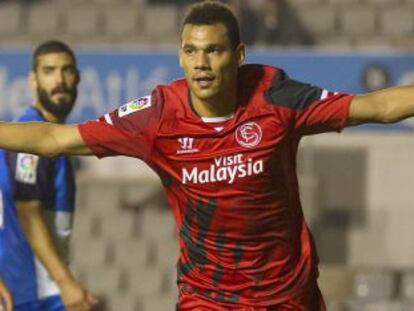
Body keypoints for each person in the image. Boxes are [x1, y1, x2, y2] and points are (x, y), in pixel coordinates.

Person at [0, 1, 413, 309]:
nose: (201, 64)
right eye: (192, 51)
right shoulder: (157, 117)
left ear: (238, 56)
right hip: (208, 296)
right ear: (180, 56)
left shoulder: (276, 97)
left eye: (214, 51)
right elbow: (57, 139)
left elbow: (377, 108)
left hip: (288, 294)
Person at [2, 40, 96, 311]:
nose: (60, 80)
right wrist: (65, 283)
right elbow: (27, 211)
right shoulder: (29, 140)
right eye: (49, 71)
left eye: (66, 71)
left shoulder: (56, 140)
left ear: (77, 77)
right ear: (33, 79)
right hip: (29, 293)